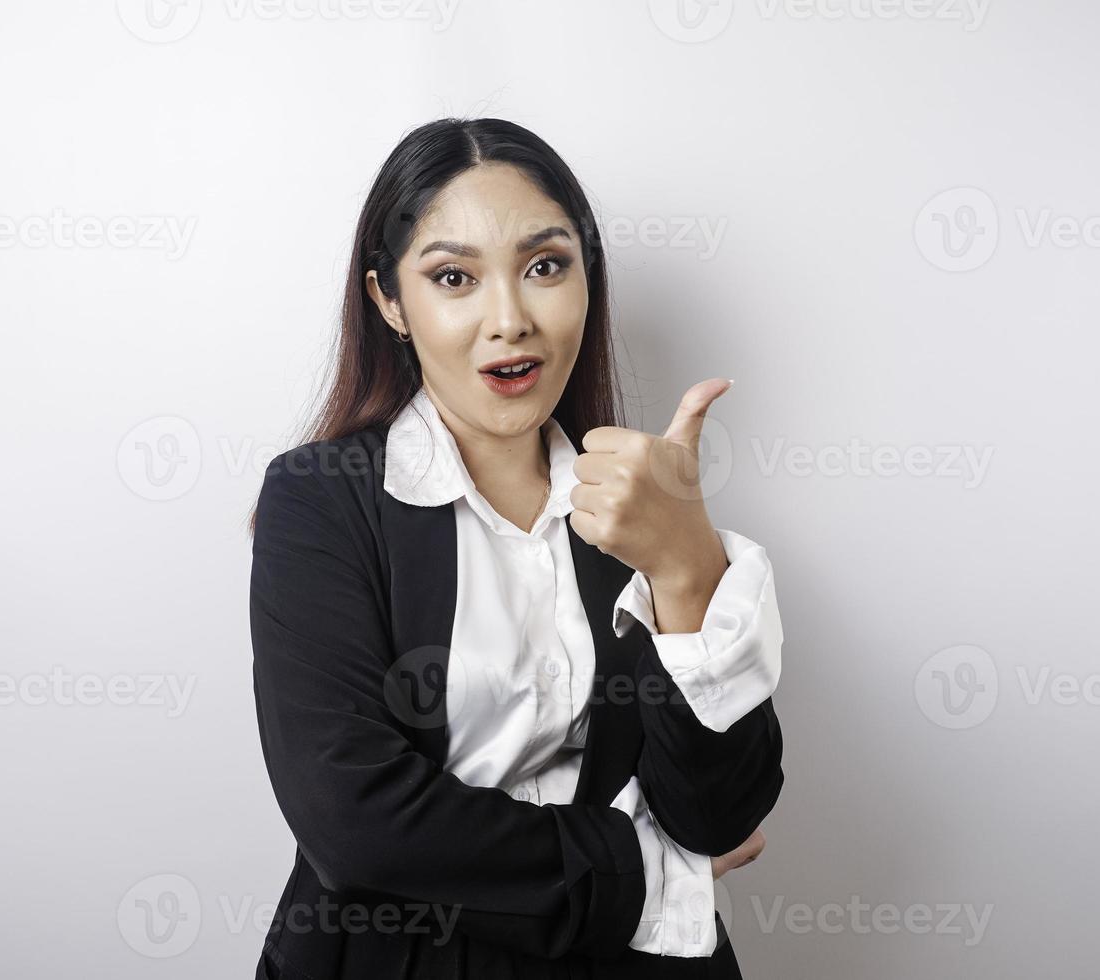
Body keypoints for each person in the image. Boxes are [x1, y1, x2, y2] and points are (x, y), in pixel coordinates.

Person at [248, 117, 784, 979]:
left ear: (586, 277)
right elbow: (356, 825)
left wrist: (686, 567)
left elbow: (719, 818)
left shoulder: (637, 501)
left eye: (544, 267)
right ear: (389, 299)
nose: (510, 320)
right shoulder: (321, 499)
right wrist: (646, 872)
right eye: (453, 277)